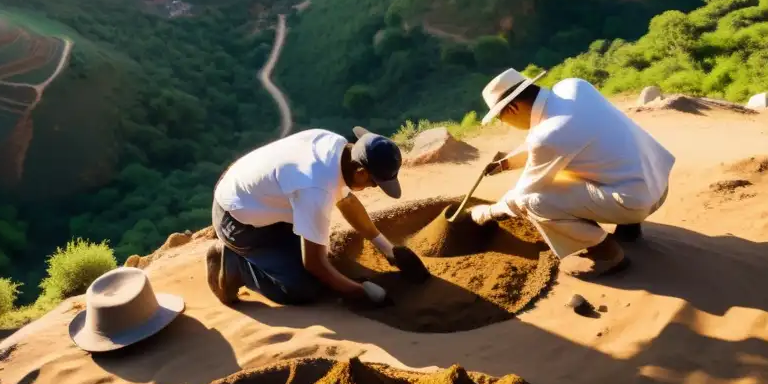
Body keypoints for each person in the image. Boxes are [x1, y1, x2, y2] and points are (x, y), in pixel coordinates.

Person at [470, 69, 675, 275]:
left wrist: (488, 212)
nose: (503, 123)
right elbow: (567, 137)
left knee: (533, 202)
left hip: (637, 203)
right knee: (592, 162)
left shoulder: (548, 137)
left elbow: (524, 192)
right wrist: (507, 163)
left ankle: (606, 254)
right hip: (658, 179)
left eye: (500, 117)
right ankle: (629, 228)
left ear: (513, 108)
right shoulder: (574, 87)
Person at [205, 127, 426, 307]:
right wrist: (361, 293)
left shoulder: (336, 147)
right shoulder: (316, 188)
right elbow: (314, 263)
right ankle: (232, 261)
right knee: (303, 288)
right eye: (374, 183)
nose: (371, 188)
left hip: (255, 198)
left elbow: (347, 201)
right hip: (238, 222)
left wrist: (387, 249)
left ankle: (267, 255)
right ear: (361, 173)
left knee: (321, 254)